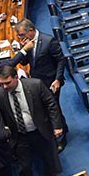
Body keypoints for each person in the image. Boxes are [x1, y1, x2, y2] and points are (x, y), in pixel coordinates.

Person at [0, 65, 63, 176]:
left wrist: (56, 125)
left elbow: (51, 104)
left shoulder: (35, 85)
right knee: (24, 168)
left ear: (16, 78)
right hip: (19, 136)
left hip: (40, 132)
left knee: (49, 161)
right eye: (1, 84)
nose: (4, 87)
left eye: (7, 83)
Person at [14, 20, 67, 149]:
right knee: (49, 108)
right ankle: (64, 127)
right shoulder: (27, 43)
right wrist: (23, 49)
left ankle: (61, 139)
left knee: (53, 108)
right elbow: (25, 63)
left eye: (21, 34)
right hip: (37, 82)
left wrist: (58, 79)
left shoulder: (49, 41)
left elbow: (61, 60)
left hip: (51, 81)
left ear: (31, 30)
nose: (20, 37)